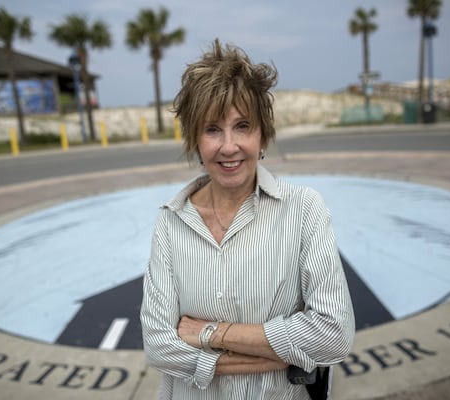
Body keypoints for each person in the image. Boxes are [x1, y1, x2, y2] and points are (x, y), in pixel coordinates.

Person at [140, 39, 355, 399]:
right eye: (212, 129)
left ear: (263, 133)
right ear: (194, 139)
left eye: (243, 125)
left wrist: (210, 334)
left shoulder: (304, 210)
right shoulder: (171, 222)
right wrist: (285, 356)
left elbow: (333, 336)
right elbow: (159, 347)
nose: (228, 146)